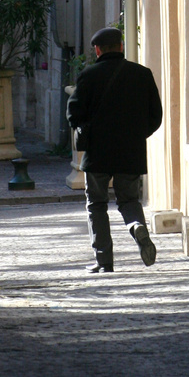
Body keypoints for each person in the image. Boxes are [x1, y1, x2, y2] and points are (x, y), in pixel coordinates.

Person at [67, 26, 163, 273]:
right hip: (131, 152)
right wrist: (136, 135)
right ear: (121, 46)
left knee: (96, 203)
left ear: (97, 50)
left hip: (97, 153)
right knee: (129, 199)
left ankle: (103, 260)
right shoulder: (142, 74)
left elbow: (73, 114)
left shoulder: (88, 76)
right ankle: (136, 226)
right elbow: (156, 116)